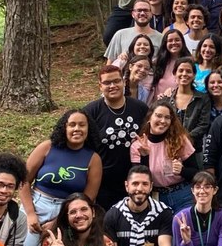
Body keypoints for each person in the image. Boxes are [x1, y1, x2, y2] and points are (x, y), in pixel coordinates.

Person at [18, 110, 103, 246]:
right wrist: (31, 213)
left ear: (89, 129)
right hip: (37, 204)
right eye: (72, 124)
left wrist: (59, 221)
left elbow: (88, 198)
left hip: (69, 211)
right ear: (64, 127)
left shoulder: (93, 159)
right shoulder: (47, 147)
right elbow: (23, 181)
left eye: (82, 125)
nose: (77, 129)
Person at [84, 65, 148, 211]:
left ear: (124, 82)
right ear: (100, 86)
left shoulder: (140, 108)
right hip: (103, 182)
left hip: (134, 180)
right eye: (107, 83)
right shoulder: (91, 112)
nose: (112, 86)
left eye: (116, 81)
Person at [129, 101, 196, 211]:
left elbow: (196, 172)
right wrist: (145, 156)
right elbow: (140, 180)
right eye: (158, 116)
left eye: (167, 117)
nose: (163, 121)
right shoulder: (138, 145)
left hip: (182, 193)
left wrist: (182, 170)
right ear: (150, 118)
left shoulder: (180, 140)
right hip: (156, 197)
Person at [163, 56, 210, 162]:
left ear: (194, 75)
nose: (184, 74)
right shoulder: (166, 100)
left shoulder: (203, 99)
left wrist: (184, 139)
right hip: (168, 150)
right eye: (181, 70)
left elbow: (203, 125)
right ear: (174, 74)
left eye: (188, 71)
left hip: (194, 151)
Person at [148, 27, 189, 101]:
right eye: (170, 40)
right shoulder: (157, 62)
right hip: (158, 105)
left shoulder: (189, 63)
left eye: (177, 40)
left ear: (182, 42)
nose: (174, 43)